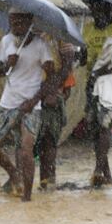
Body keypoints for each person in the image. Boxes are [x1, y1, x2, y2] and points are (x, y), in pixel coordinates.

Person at [0, 10, 56, 202]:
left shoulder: (41, 45)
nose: (15, 27)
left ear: (30, 22)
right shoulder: (7, 41)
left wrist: (33, 101)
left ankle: (27, 197)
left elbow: (51, 78)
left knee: (26, 149)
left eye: (19, 23)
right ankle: (14, 174)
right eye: (12, 23)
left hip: (31, 104)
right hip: (8, 102)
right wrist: (7, 64)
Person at [81, 0, 112, 186]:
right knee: (94, 129)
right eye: (93, 9)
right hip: (91, 85)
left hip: (110, 85)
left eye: (100, 8)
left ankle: (98, 170)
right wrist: (80, 56)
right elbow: (85, 60)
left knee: (104, 126)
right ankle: (106, 174)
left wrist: (99, 72)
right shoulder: (87, 29)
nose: (96, 13)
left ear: (109, 9)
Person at [37, 37, 75, 189]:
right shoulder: (29, 37)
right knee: (39, 143)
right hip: (33, 93)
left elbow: (66, 70)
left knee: (49, 140)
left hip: (52, 96)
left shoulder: (61, 39)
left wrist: (52, 92)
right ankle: (44, 181)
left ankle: (48, 181)